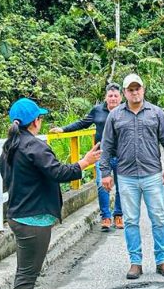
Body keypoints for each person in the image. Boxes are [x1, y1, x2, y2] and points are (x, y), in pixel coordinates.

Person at [0, 98, 101, 289]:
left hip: (18, 216)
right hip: (32, 219)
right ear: (35, 121)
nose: (41, 121)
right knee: (26, 275)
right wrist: (84, 162)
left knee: (28, 273)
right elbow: (58, 173)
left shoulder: (9, 147)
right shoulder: (34, 146)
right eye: (40, 118)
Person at [99, 73, 164, 280]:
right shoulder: (115, 116)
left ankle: (162, 260)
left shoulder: (156, 113)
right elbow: (106, 146)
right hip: (126, 176)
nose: (135, 92)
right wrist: (105, 173)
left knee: (159, 218)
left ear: (143, 90)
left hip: (152, 173)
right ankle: (136, 262)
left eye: (137, 89)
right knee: (131, 220)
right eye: (130, 90)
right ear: (125, 93)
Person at [50, 84, 124, 231]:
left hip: (122, 155)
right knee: (102, 185)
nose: (113, 99)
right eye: (110, 96)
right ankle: (106, 217)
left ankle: (118, 215)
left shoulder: (125, 111)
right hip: (102, 155)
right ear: (105, 97)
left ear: (121, 98)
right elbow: (83, 123)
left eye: (116, 96)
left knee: (122, 187)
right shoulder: (97, 111)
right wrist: (63, 129)